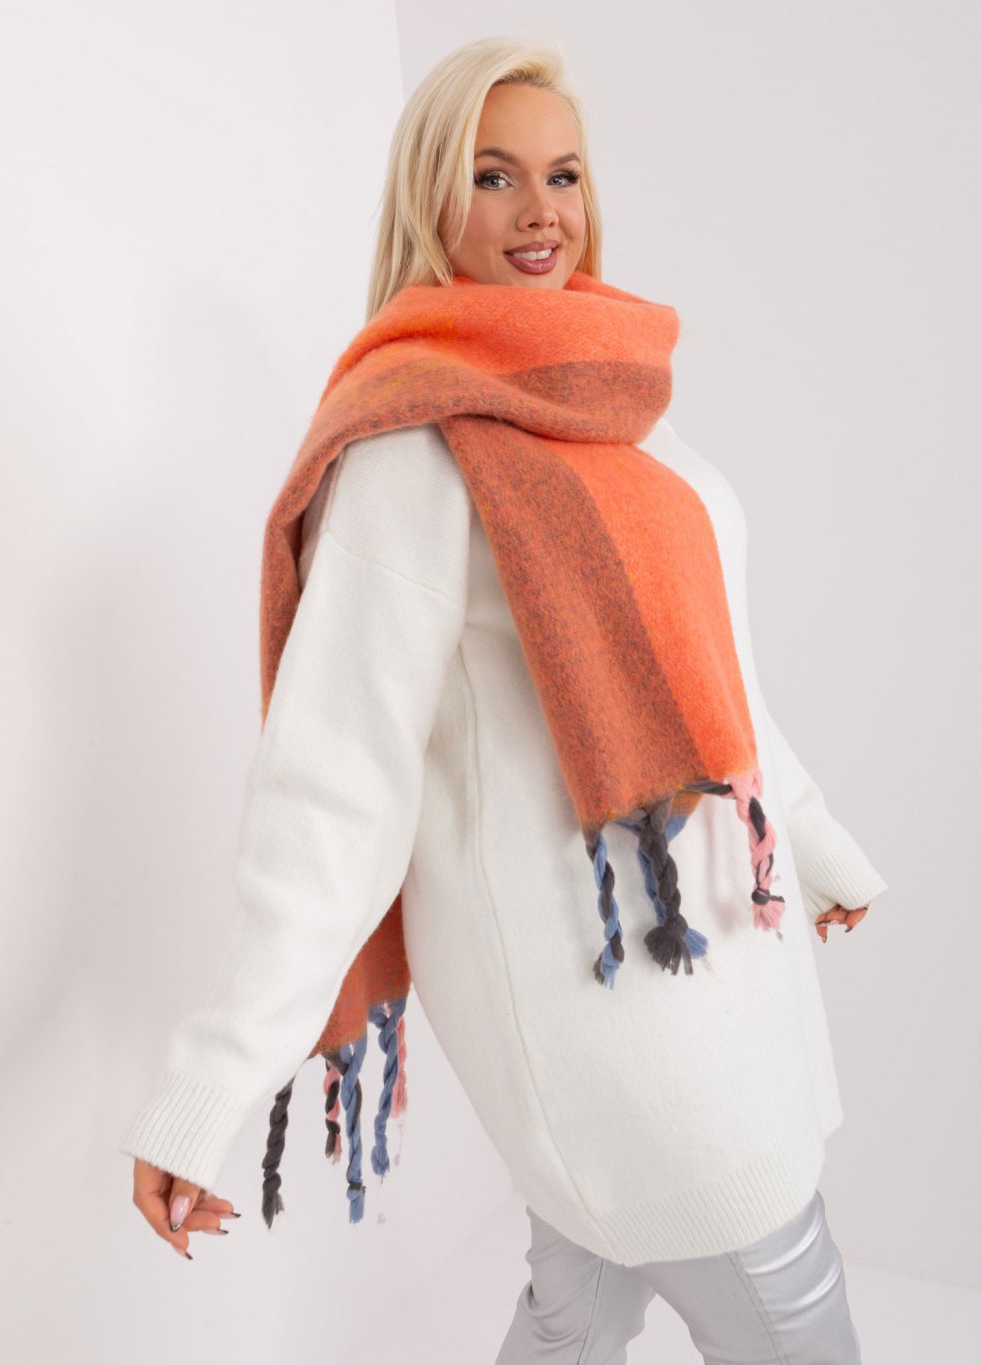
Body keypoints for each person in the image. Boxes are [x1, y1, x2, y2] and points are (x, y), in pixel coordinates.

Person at [122, 35, 886, 1364]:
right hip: (618, 1020)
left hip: (725, 953)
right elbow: (332, 794)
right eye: (494, 176)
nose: (541, 212)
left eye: (563, 174)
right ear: (433, 198)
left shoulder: (616, 406)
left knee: (578, 1305)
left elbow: (722, 676)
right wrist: (210, 1088)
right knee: (792, 1307)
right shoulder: (412, 457)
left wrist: (813, 841)